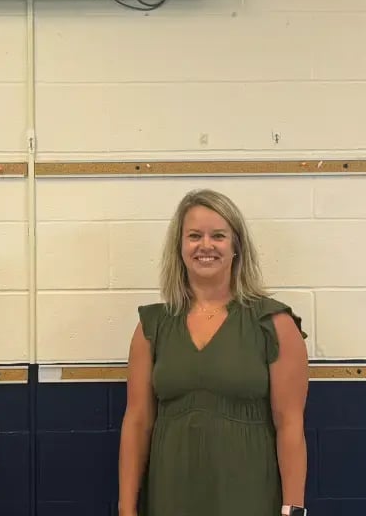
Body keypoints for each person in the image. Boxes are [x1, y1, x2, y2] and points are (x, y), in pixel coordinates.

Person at [117, 189, 310, 516]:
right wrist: (126, 508)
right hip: (170, 495)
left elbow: (289, 424)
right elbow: (137, 422)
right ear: (179, 247)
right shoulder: (152, 327)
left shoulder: (273, 323)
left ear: (236, 247)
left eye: (218, 236)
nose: (205, 245)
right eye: (194, 236)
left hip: (250, 496)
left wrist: (294, 510)